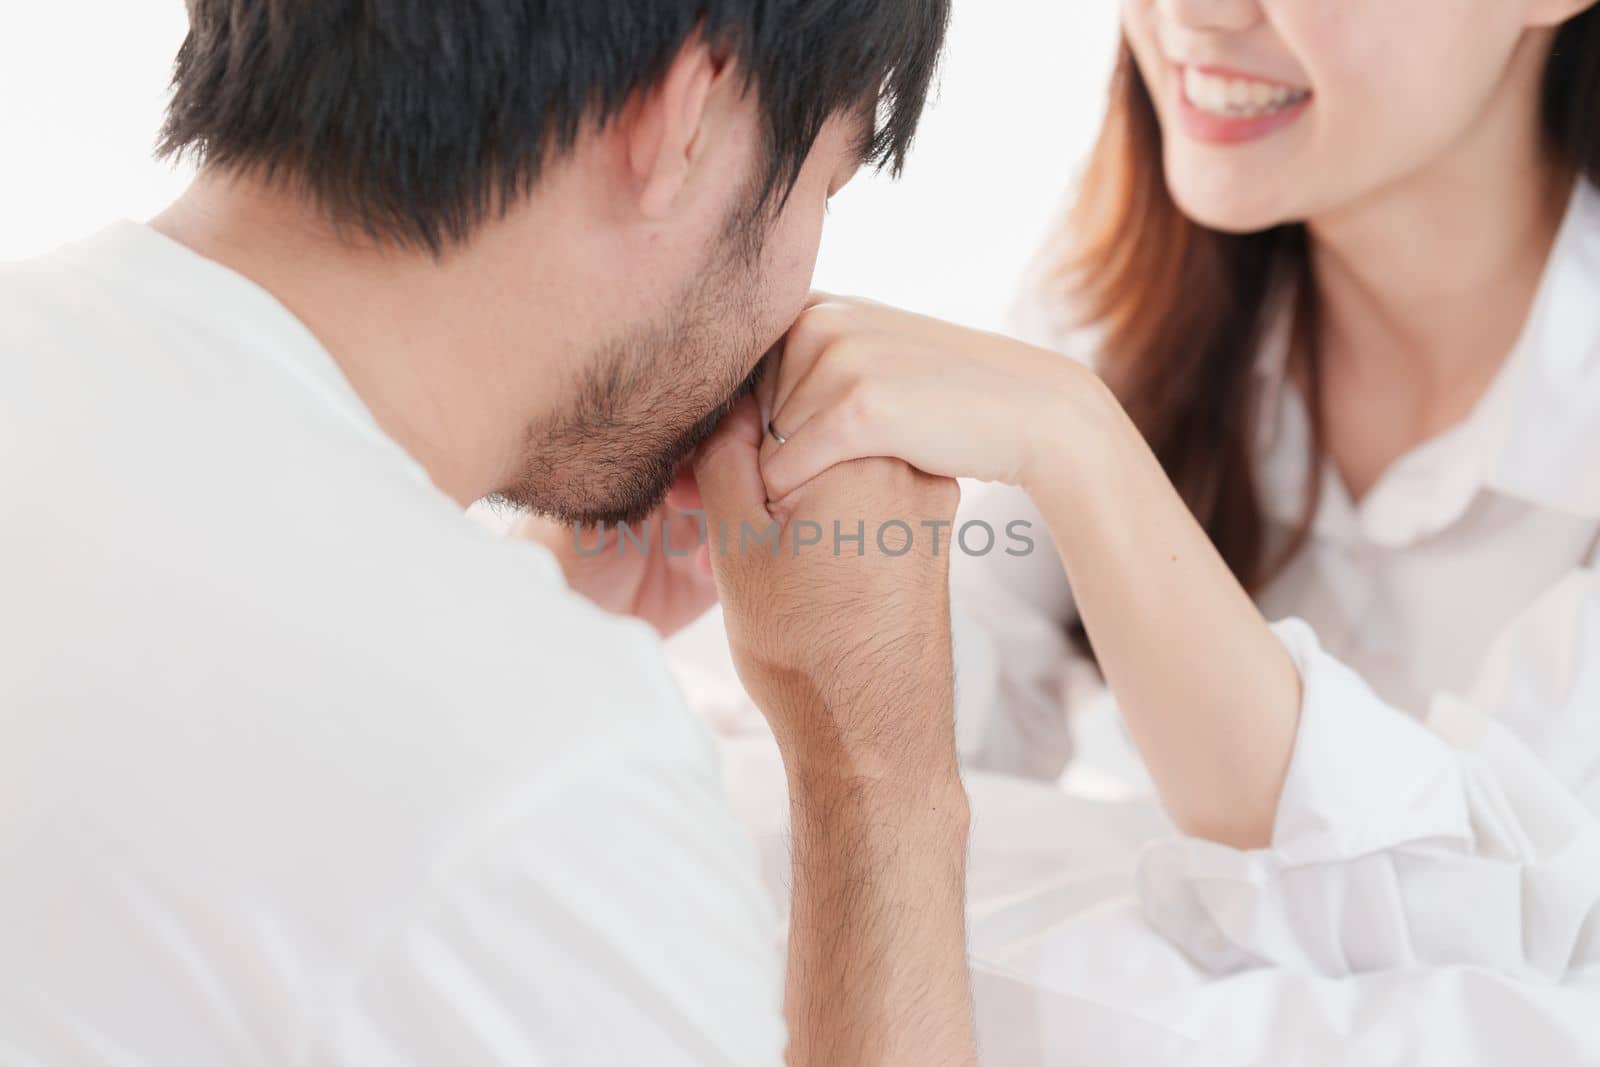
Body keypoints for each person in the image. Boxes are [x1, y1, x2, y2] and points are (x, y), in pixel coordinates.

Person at [0, 2, 976, 1064]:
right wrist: (877, 770)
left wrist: (513, 605)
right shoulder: (549, 775)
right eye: (825, 186)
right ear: (686, 119)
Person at [756, 0, 1600, 999]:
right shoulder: (1130, 289)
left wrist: (1087, 453)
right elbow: (900, 735)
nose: (1192, 13)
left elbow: (1499, 930)